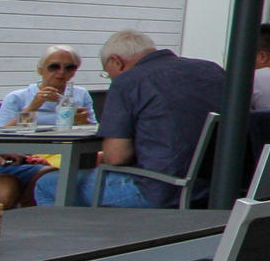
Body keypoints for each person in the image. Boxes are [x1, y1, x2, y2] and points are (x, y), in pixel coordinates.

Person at [34, 30, 225, 207]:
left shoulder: (128, 81)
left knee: (47, 185)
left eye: (108, 74)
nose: (111, 79)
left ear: (116, 62)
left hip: (161, 189)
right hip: (219, 186)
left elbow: (117, 157)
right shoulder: (212, 70)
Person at [0, 44, 94, 210]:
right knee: (47, 176)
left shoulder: (80, 95)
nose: (61, 72)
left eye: (69, 68)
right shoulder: (18, 97)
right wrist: (33, 107)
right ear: (41, 70)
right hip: (21, 160)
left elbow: (93, 130)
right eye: (54, 67)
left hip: (65, 157)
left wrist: (83, 122)